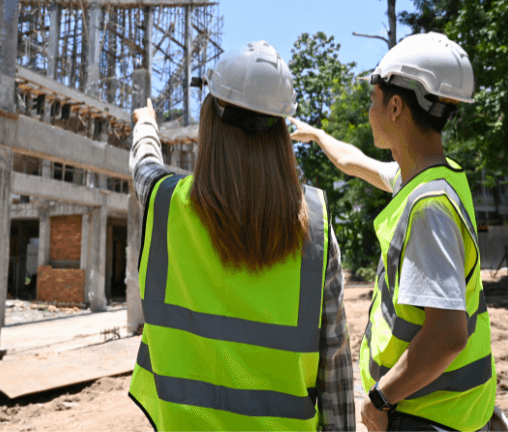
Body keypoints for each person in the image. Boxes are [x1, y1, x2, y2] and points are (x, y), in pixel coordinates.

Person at [127, 41, 356, 431]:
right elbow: (335, 369)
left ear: (211, 120)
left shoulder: (167, 203)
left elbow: (144, 166)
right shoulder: (314, 224)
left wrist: (146, 123)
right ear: (280, 132)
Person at [290, 32, 496, 432]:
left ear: (396, 106)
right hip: (443, 411)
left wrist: (382, 398)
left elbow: (448, 334)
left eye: (373, 101)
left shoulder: (428, 207)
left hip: (426, 416)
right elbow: (354, 161)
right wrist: (316, 134)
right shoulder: (432, 176)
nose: (370, 111)